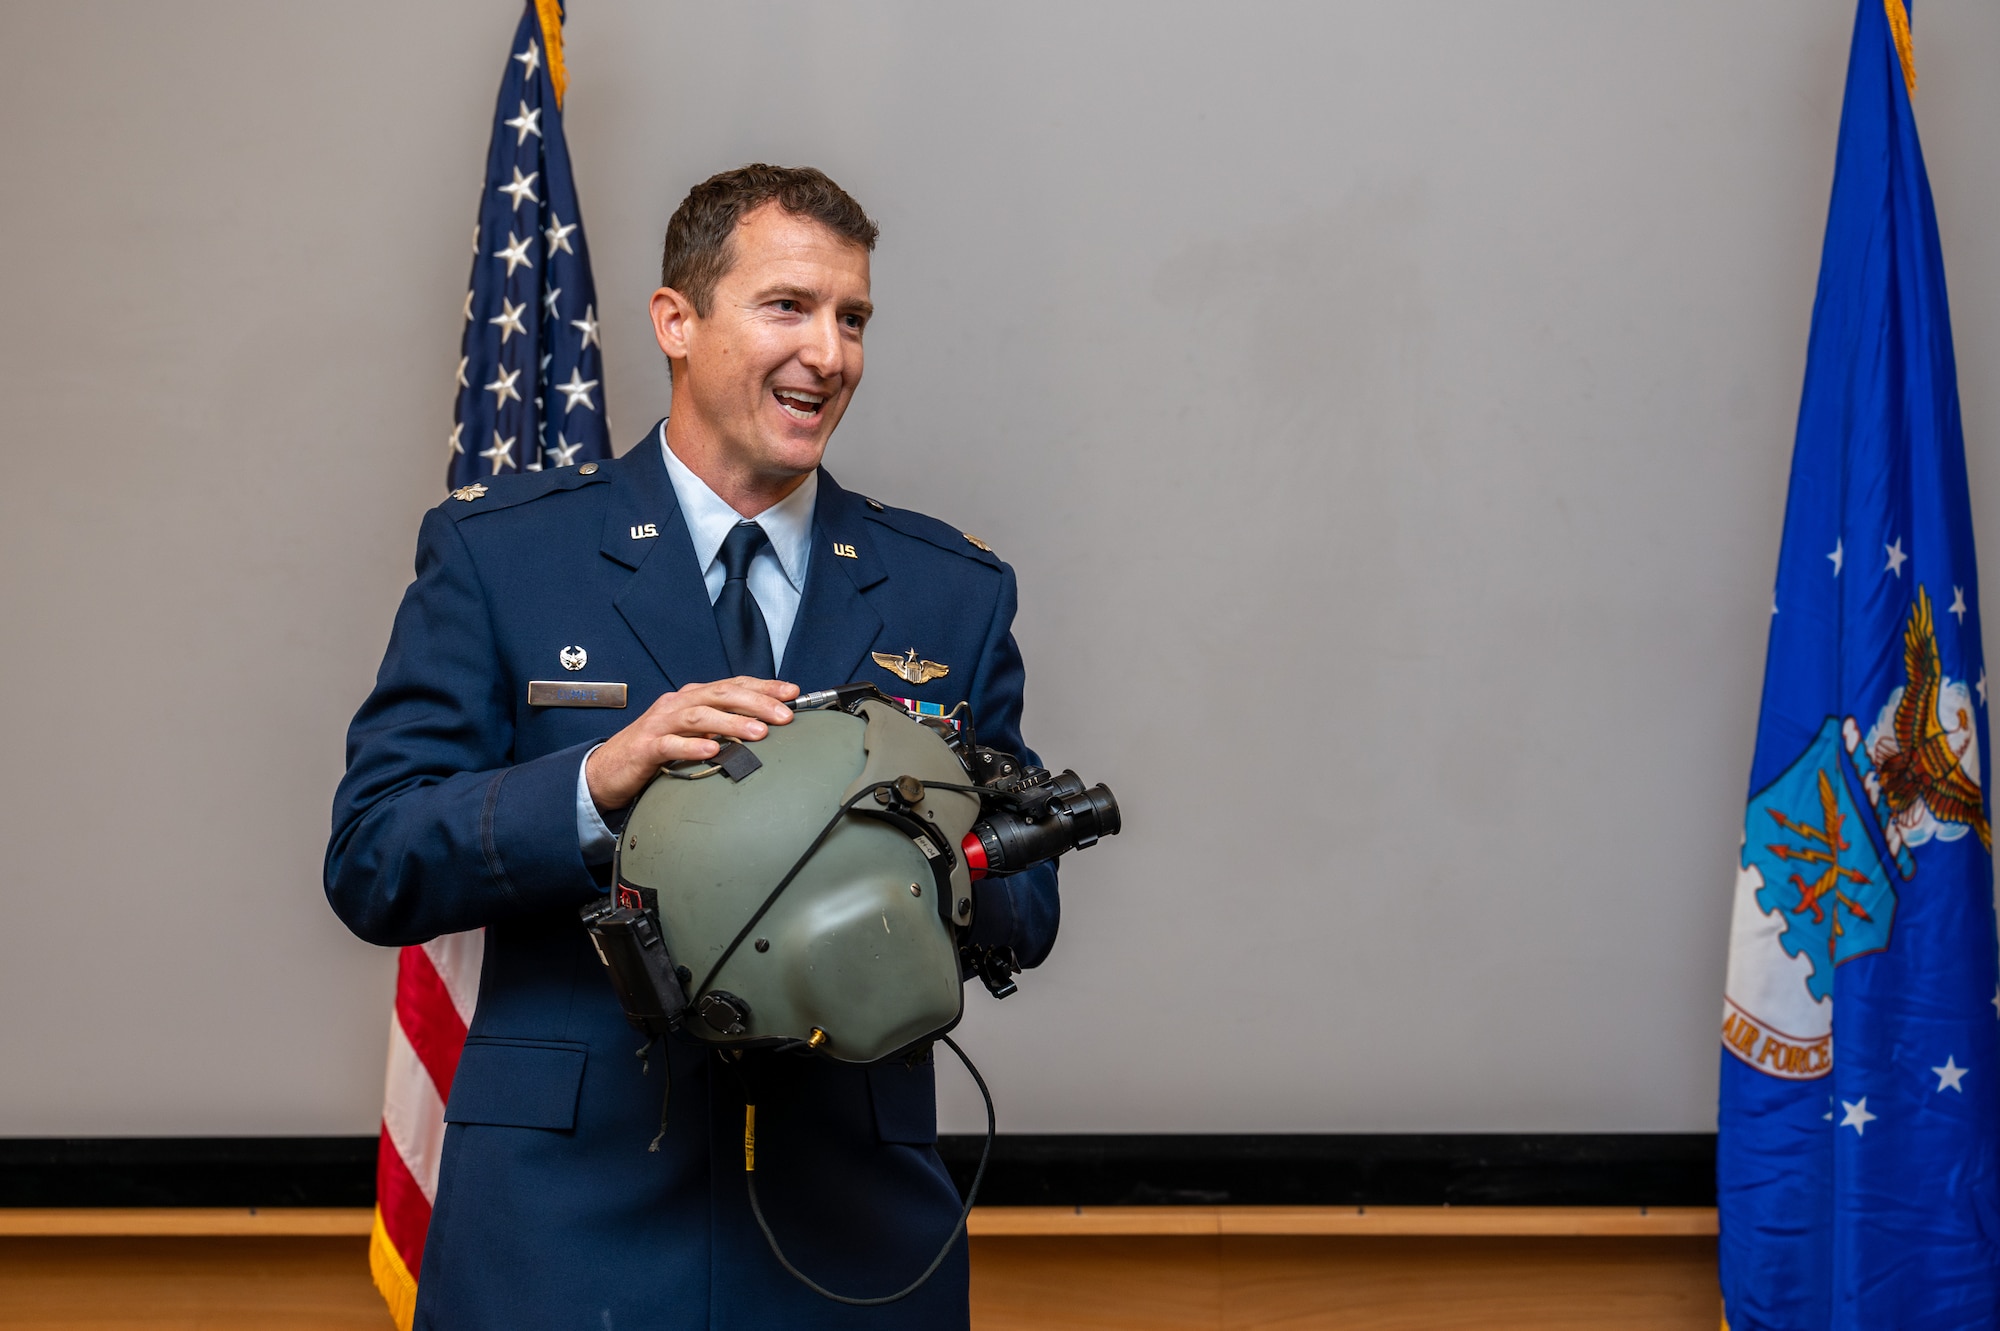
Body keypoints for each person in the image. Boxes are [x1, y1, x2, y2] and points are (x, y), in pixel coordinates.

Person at [326, 164, 1060, 1330]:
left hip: (853, 1227)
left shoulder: (946, 590)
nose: (828, 353)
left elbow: (1028, 905)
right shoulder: (503, 557)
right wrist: (593, 783)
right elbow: (373, 857)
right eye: (787, 306)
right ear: (676, 321)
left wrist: (930, 862)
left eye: (852, 317)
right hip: (566, 1227)